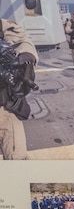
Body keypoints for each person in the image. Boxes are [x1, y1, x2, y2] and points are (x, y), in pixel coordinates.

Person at [0, 20, 38, 160]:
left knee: (18, 161)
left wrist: (26, 56)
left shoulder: (2, 24)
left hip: (5, 109)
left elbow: (22, 38)